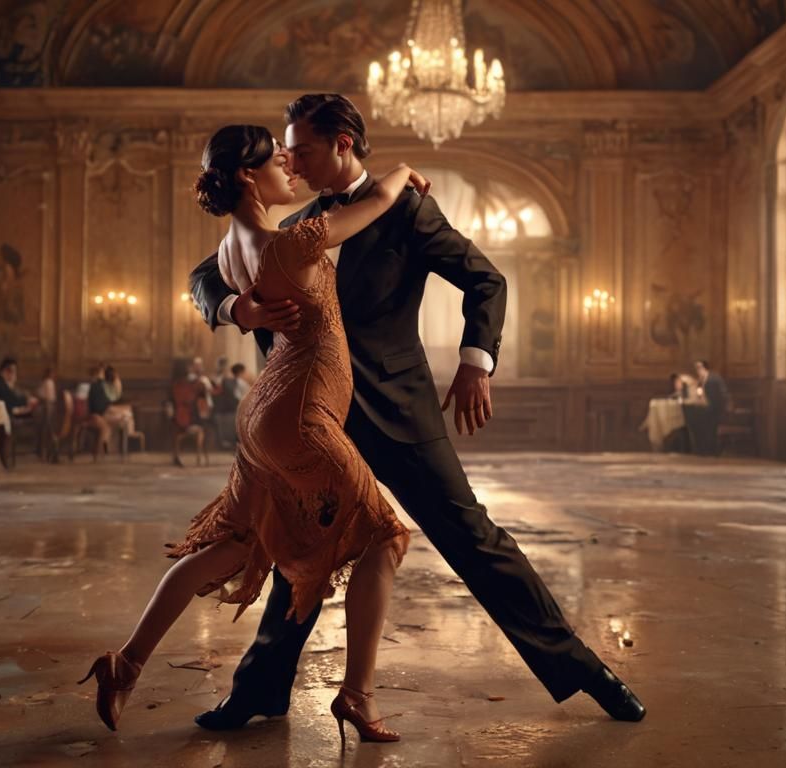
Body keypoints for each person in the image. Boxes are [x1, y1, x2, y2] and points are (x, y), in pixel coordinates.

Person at [187, 94, 643, 731]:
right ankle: (259, 689)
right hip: (315, 416)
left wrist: (475, 362)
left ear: (343, 143)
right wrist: (239, 309)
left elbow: (487, 279)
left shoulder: (407, 209)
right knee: (302, 550)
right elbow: (204, 277)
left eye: (304, 150)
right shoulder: (296, 224)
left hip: (398, 408)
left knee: (473, 540)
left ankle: (585, 671)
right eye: (286, 153)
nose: (292, 163)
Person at [83, 124, 421, 745]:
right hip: (299, 415)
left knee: (233, 547)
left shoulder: (230, 248)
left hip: (267, 409)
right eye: (276, 162)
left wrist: (240, 308)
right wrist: (404, 172)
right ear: (247, 175)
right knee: (385, 538)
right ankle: (356, 695)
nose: (289, 168)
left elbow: (224, 288)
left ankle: (124, 664)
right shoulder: (290, 242)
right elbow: (376, 199)